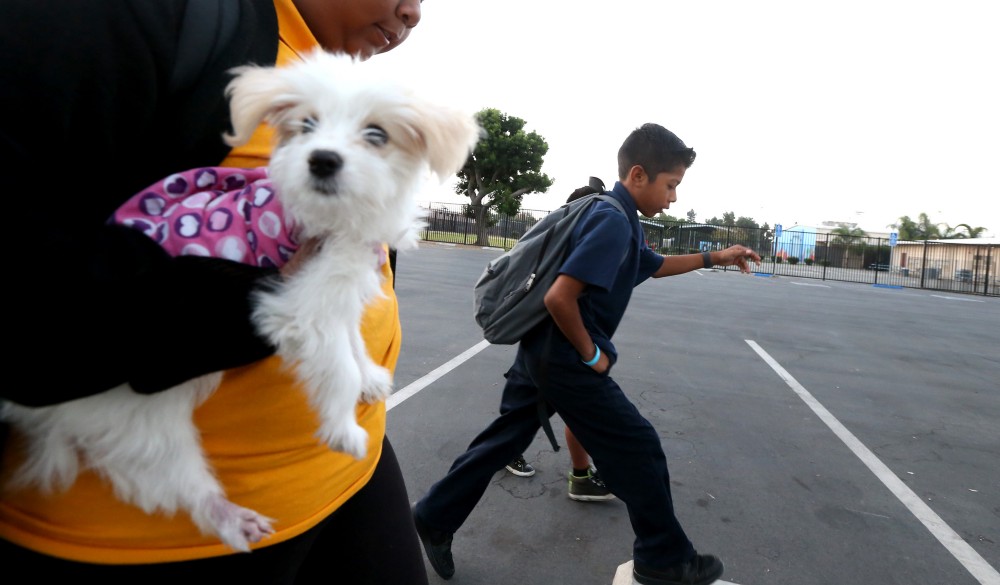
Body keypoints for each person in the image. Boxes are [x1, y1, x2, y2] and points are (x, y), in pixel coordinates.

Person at [1, 1, 431, 582]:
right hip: (152, 535)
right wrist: (265, 300)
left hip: (352, 473)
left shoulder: (341, 75)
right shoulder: (135, 19)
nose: (413, 12)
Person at [413, 123, 761, 585]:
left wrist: (716, 257)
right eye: (671, 185)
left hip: (540, 347)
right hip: (564, 356)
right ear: (639, 175)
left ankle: (434, 515)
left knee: (504, 440)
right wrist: (592, 353)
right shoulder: (614, 221)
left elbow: (653, 267)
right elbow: (561, 297)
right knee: (638, 446)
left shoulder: (617, 216)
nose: (674, 198)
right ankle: (664, 559)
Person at [504, 182, 616, 503]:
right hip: (552, 347)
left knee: (527, 408)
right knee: (574, 409)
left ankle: (576, 475)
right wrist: (588, 352)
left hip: (547, 345)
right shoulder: (566, 246)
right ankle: (579, 477)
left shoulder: (569, 242)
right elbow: (559, 300)